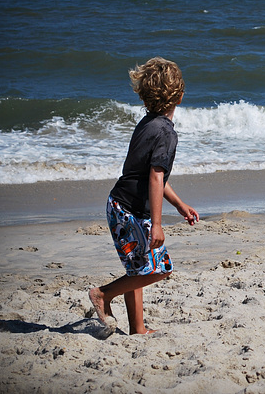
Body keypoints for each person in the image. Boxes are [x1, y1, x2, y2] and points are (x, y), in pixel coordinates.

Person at [89, 57, 199, 335]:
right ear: (181, 96)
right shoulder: (166, 133)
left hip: (120, 204)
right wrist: (158, 224)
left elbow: (152, 176)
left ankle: (137, 328)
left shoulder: (147, 123)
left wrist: (180, 204)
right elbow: (155, 177)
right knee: (159, 269)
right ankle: (102, 294)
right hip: (130, 211)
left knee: (137, 268)